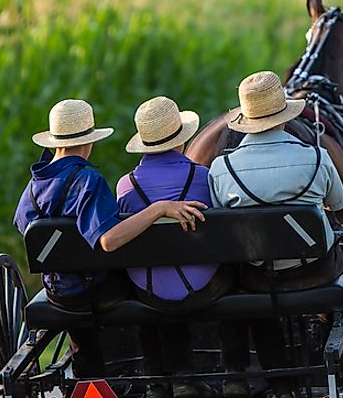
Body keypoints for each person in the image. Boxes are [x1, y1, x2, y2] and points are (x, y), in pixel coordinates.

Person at [14, 98, 206, 379]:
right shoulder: (88, 181)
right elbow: (108, 241)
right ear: (88, 141)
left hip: (58, 291)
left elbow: (23, 225)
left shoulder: (33, 186)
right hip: (96, 290)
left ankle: (93, 374)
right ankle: (158, 378)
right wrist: (159, 208)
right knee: (138, 282)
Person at [208, 71, 343, 398]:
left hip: (259, 275)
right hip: (316, 271)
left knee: (256, 292)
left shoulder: (222, 168)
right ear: (286, 114)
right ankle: (323, 344)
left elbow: (220, 222)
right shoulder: (316, 157)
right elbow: (340, 206)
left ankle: (284, 390)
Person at [115, 96, 235, 398]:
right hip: (203, 287)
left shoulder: (126, 187)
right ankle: (235, 371)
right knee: (233, 272)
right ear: (181, 139)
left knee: (149, 284)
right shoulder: (203, 176)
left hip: (149, 290)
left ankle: (160, 386)